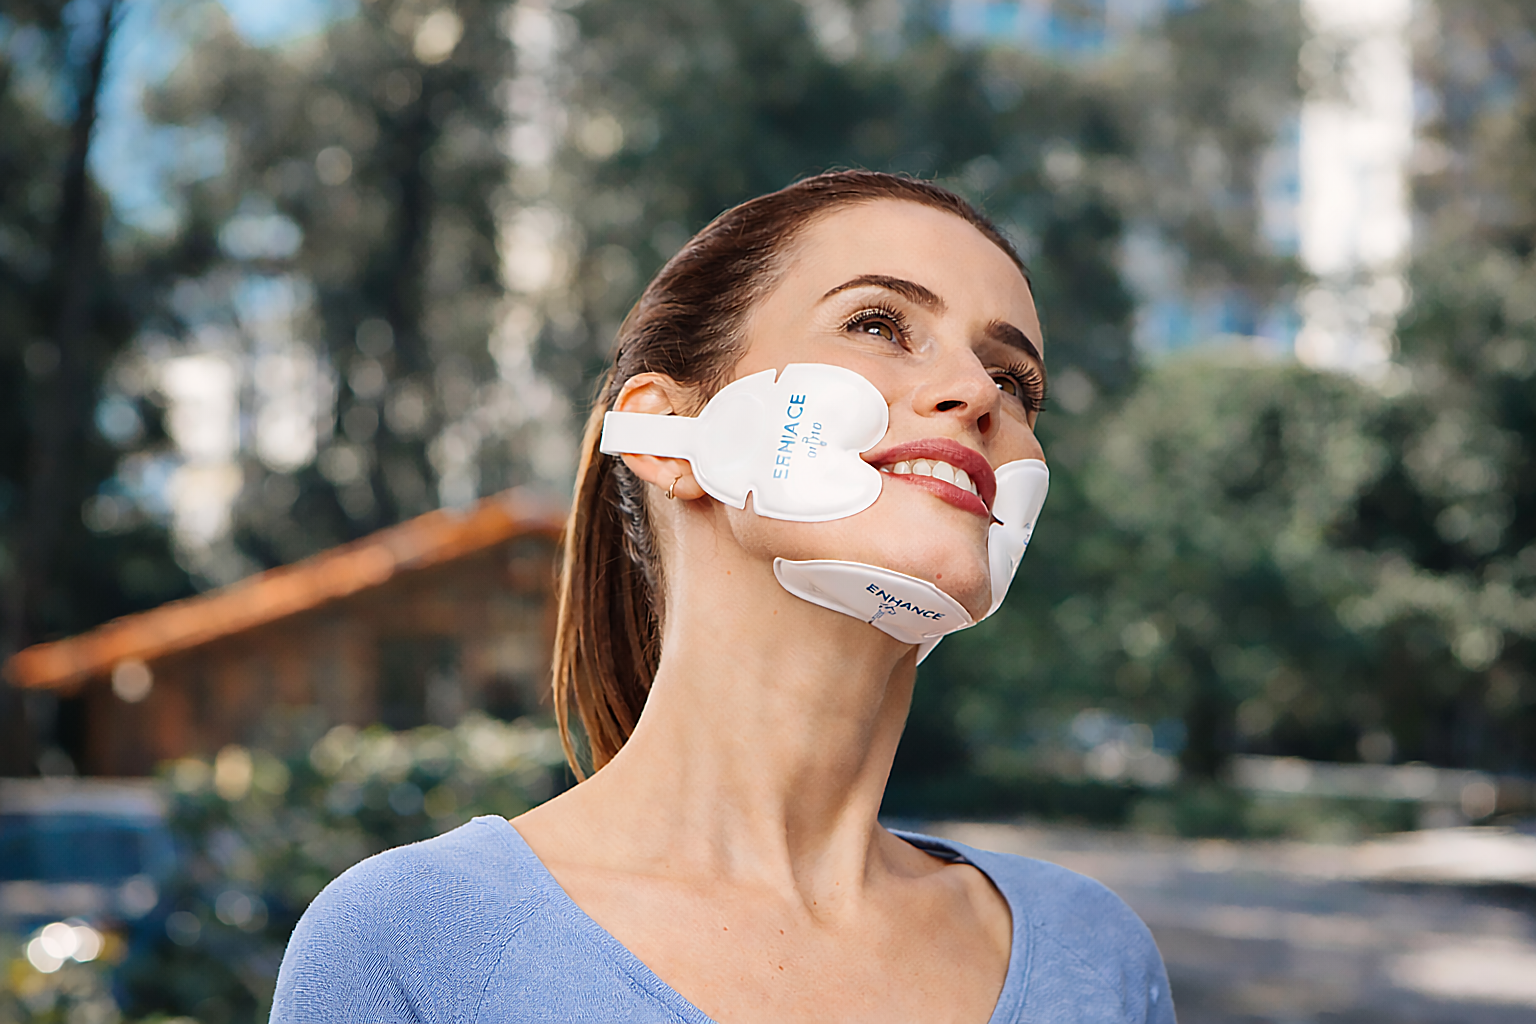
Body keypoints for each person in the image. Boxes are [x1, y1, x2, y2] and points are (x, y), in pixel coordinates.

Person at [271, 170, 1174, 1023]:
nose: (979, 392)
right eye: (878, 323)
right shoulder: (416, 944)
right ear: (667, 435)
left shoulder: (1095, 957)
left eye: (1015, 380)